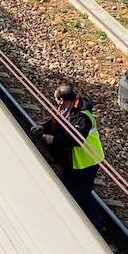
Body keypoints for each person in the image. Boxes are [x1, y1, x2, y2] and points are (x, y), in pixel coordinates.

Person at [31, 84, 104, 225]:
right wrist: (44, 128)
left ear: (62, 100)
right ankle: (73, 217)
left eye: (58, 100)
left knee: (83, 194)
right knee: (68, 188)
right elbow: (58, 122)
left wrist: (54, 139)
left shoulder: (82, 118)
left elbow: (76, 139)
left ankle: (95, 224)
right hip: (72, 160)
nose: (57, 103)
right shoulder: (66, 109)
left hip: (86, 162)